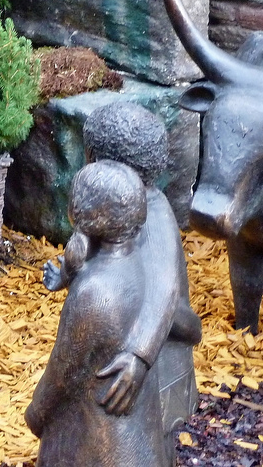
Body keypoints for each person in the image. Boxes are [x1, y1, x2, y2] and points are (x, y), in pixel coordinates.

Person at [43, 101, 201, 462]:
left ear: (98, 159)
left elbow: (164, 293)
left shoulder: (155, 214)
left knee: (153, 422)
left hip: (158, 331)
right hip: (121, 319)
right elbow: (90, 252)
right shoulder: (113, 205)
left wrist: (139, 355)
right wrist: (67, 273)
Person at [26, 161, 168, 467]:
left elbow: (64, 371)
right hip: (137, 440)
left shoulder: (94, 292)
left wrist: (36, 413)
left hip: (99, 446)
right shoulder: (139, 263)